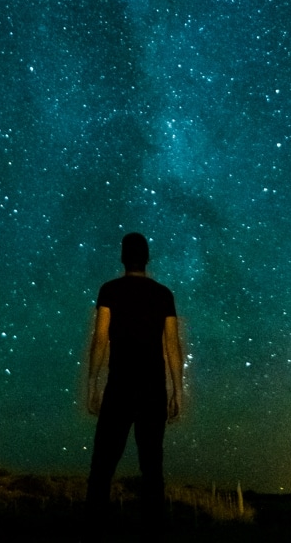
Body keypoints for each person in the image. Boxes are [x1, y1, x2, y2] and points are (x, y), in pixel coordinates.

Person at [84, 232, 183, 541]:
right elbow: (172, 346)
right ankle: (155, 532)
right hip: (154, 388)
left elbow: (101, 339)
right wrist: (178, 390)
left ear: (123, 257)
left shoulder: (109, 291)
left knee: (102, 464)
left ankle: (94, 530)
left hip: (119, 386)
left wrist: (91, 383)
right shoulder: (164, 294)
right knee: (152, 466)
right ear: (148, 258)